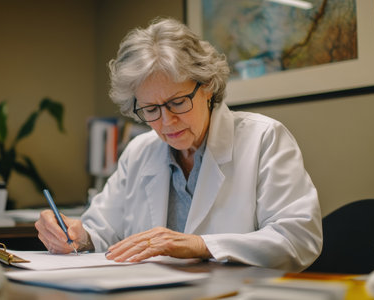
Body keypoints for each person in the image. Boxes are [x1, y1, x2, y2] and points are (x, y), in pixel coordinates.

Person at [35, 17, 322, 272]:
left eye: (177, 102)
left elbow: (298, 238)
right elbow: (102, 231)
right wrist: (74, 236)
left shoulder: (263, 138)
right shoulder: (139, 151)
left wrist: (199, 245)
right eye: (150, 109)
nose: (167, 121)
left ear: (207, 86)